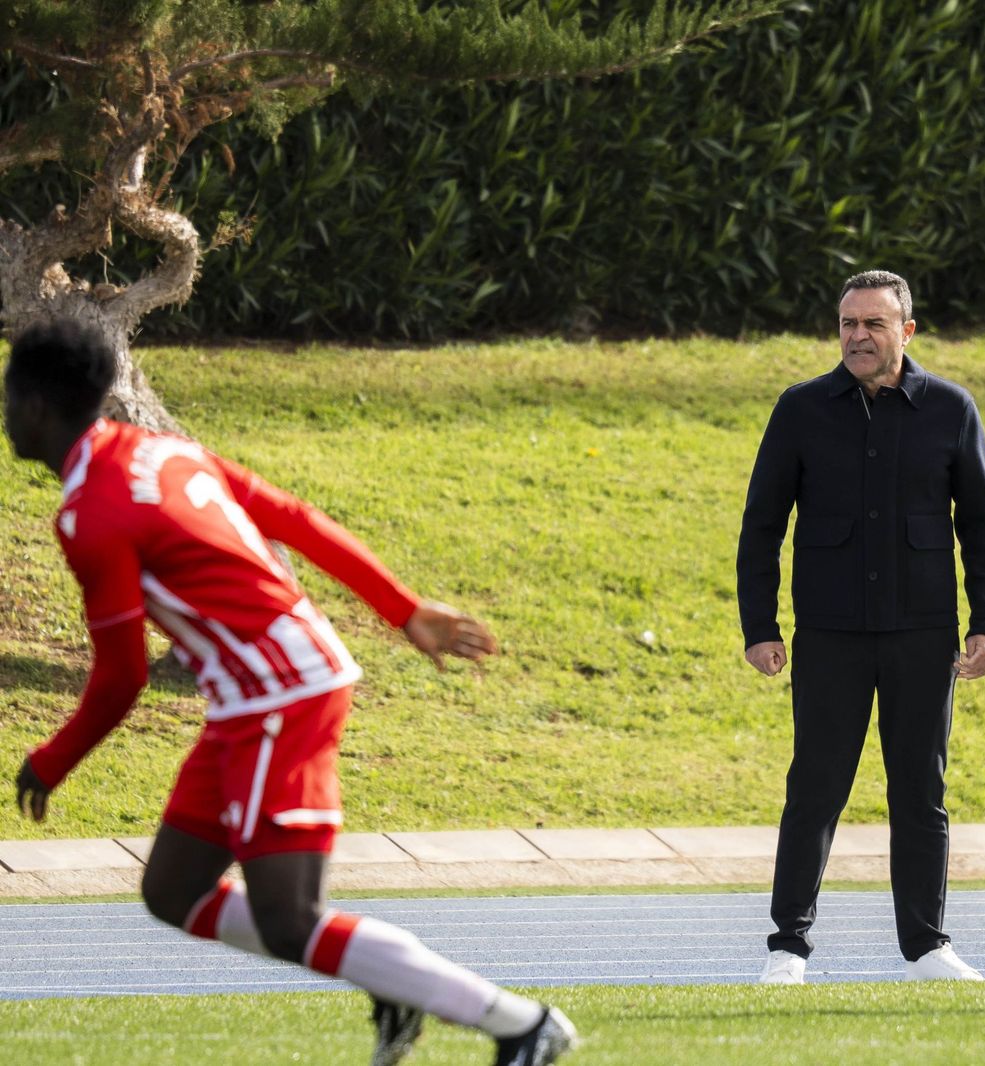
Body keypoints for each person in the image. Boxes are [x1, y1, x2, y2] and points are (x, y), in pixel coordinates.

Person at [5, 320, 576, 1065]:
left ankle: (521, 1025)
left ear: (37, 404)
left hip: (281, 692)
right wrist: (402, 610)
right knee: (172, 891)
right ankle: (388, 976)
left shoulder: (91, 514)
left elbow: (122, 676)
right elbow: (292, 519)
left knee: (288, 916)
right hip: (256, 694)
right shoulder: (162, 451)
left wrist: (51, 759)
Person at [737, 270, 985, 985]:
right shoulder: (800, 410)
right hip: (829, 635)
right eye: (848, 324)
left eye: (873, 325)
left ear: (906, 331)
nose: (858, 336)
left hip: (924, 634)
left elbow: (982, 529)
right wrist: (760, 625)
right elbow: (762, 526)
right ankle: (787, 948)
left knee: (921, 793)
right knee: (815, 790)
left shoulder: (951, 409)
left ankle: (927, 947)